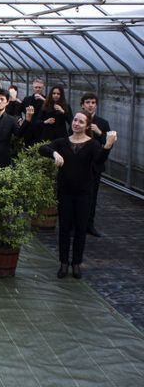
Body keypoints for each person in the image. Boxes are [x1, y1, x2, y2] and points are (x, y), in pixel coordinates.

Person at [39, 111, 117, 279]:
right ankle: (63, 263)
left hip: (83, 193)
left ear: (87, 126)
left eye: (81, 122)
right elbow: (42, 148)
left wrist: (108, 145)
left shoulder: (93, 144)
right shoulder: (62, 142)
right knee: (64, 229)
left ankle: (76, 264)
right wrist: (54, 153)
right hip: (65, 191)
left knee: (81, 230)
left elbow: (99, 160)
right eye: (75, 120)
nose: (76, 123)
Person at [81, 93, 111, 237]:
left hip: (95, 166)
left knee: (93, 196)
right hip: (79, 165)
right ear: (83, 105)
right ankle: (77, 224)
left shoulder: (103, 123)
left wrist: (100, 133)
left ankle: (89, 225)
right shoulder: (78, 120)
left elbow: (108, 143)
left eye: (93, 102)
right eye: (88, 102)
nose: (90, 105)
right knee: (78, 195)